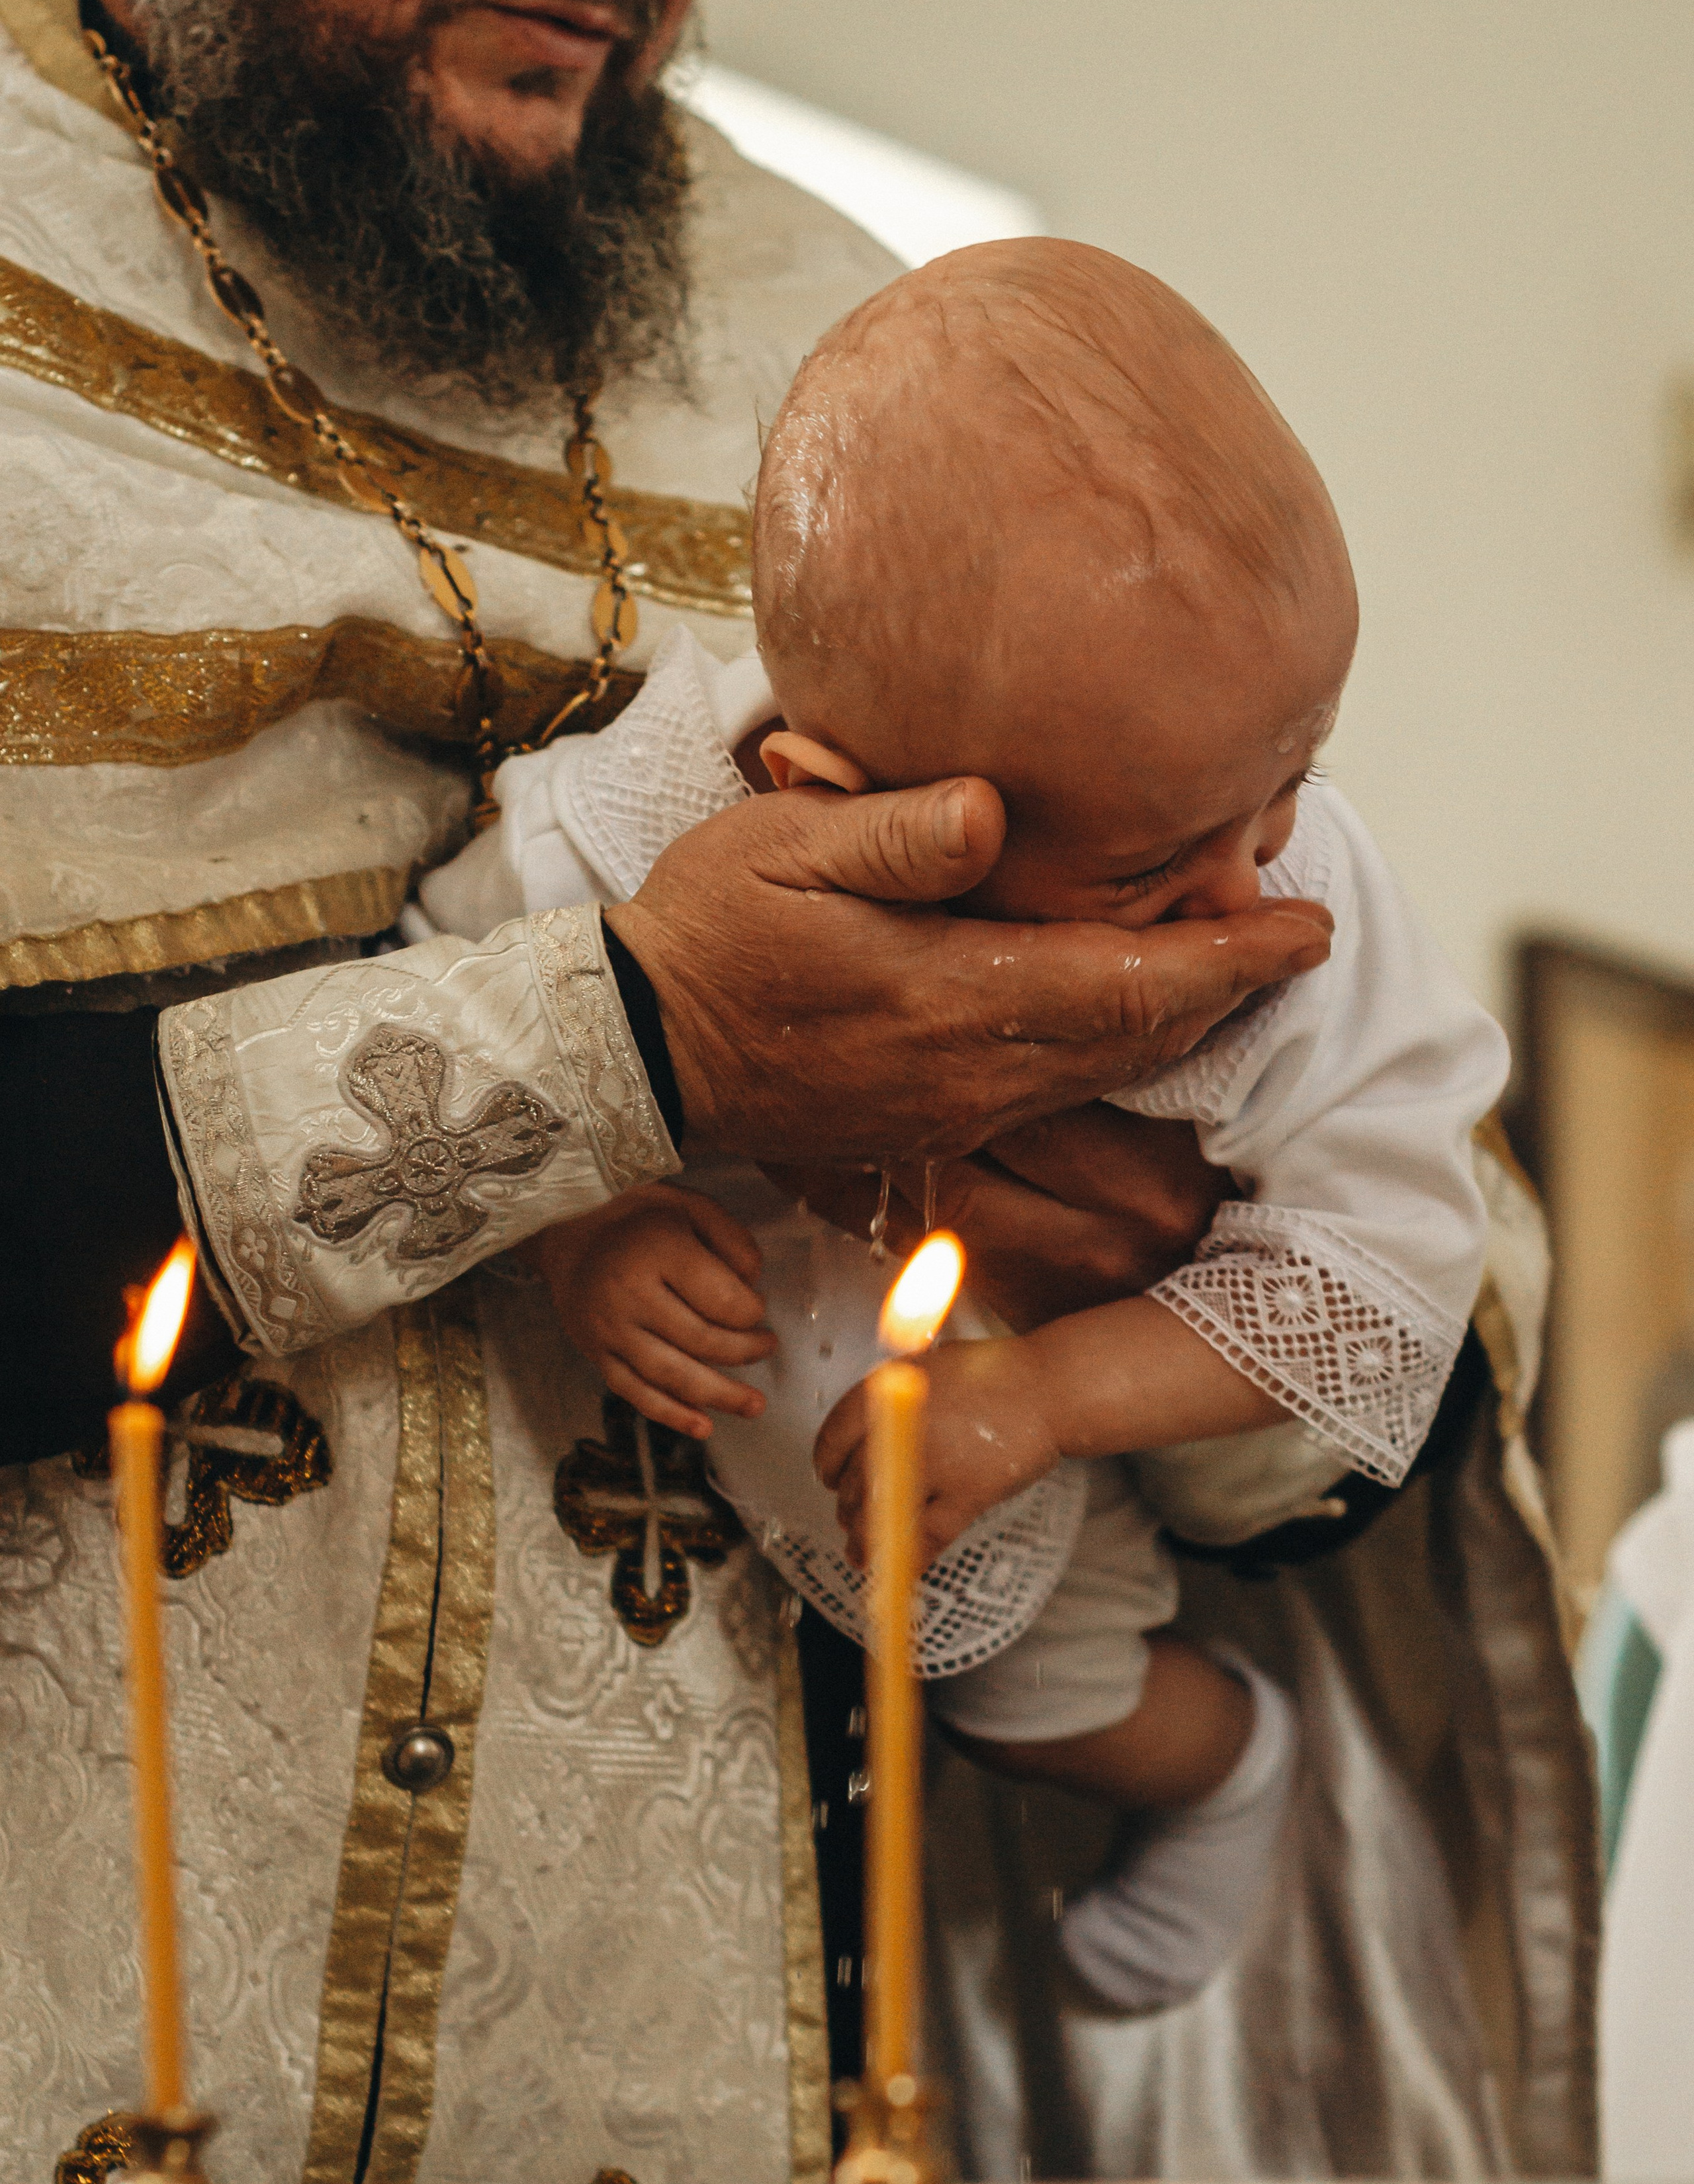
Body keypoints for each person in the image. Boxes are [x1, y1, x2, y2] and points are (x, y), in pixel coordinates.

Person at [0, 0, 1331, 2184]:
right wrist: (628, 1042)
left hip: (716, 2149)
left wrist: (1172, 1226)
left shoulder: (895, 370)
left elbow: (1396, 1259)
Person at [423, 240, 1509, 2021]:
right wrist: (580, 1229)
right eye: (1150, 868)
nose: (1252, 892)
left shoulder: (1294, 881)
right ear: (839, 804)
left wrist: (1054, 1395)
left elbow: (1392, 1256)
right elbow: (460, 1008)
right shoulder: (627, 816)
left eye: (1292, 781)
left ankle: (1228, 1762)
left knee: (1035, 1689)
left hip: (1066, 1403)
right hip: (733, 1420)